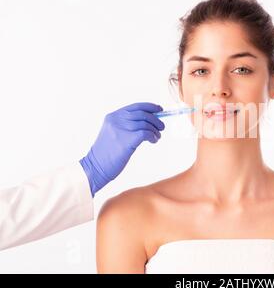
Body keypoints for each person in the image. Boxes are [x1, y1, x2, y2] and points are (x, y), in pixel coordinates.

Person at [96, 0, 274, 274]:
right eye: (201, 71)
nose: (219, 89)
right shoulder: (126, 217)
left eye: (241, 69)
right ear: (181, 83)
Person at [0, 102, 165, 250]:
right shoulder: (124, 218)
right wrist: (91, 170)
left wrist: (90, 171)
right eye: (191, 72)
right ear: (179, 88)